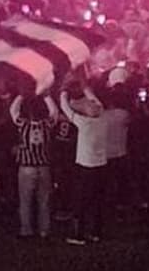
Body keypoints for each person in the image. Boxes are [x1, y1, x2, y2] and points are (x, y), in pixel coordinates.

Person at [60, 83, 108, 245]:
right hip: (101, 166)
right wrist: (86, 87)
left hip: (85, 168)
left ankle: (77, 235)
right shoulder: (103, 119)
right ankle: (95, 233)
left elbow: (65, 107)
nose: (92, 103)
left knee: (80, 201)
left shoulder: (84, 123)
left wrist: (64, 91)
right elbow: (97, 103)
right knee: (96, 201)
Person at [10, 94, 57, 239]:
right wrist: (47, 96)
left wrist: (21, 95)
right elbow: (54, 112)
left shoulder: (23, 124)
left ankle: (26, 230)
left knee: (25, 200)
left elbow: (13, 110)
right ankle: (44, 230)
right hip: (43, 166)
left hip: (26, 167)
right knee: (44, 201)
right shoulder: (47, 124)